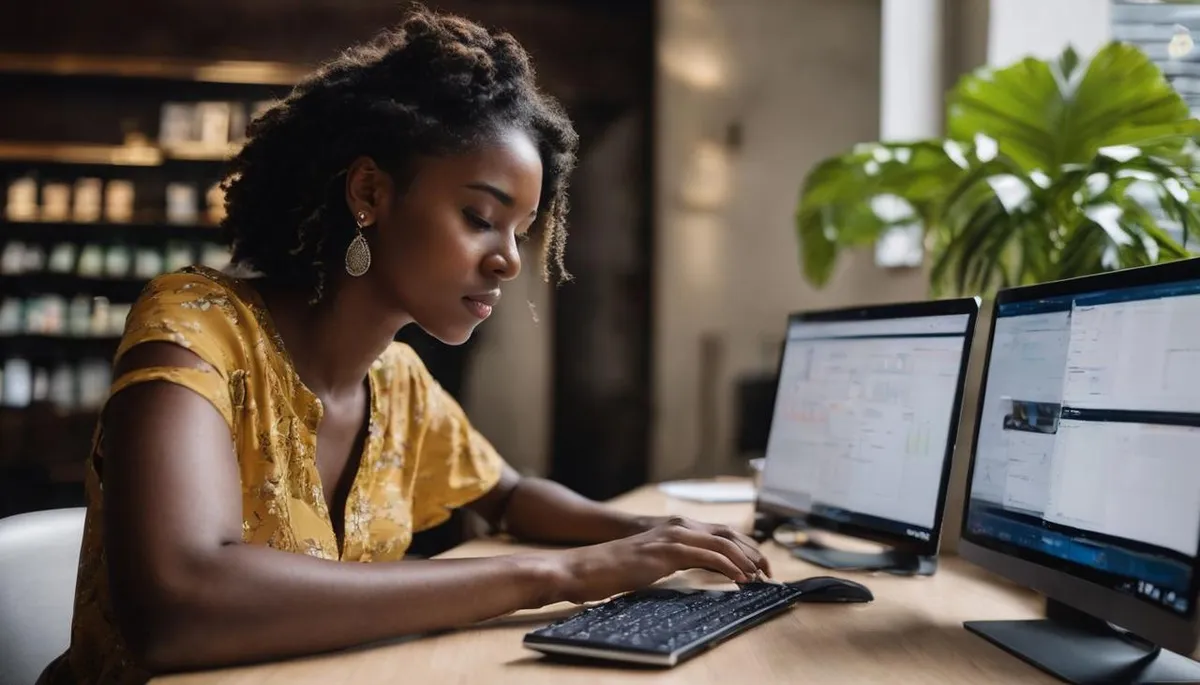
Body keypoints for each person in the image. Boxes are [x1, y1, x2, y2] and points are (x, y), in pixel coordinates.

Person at [39, 6, 769, 685]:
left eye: (521, 230)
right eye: (481, 216)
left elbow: (508, 493)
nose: (511, 260)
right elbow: (177, 605)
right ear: (369, 193)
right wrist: (567, 574)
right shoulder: (196, 327)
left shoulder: (397, 379)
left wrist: (656, 533)